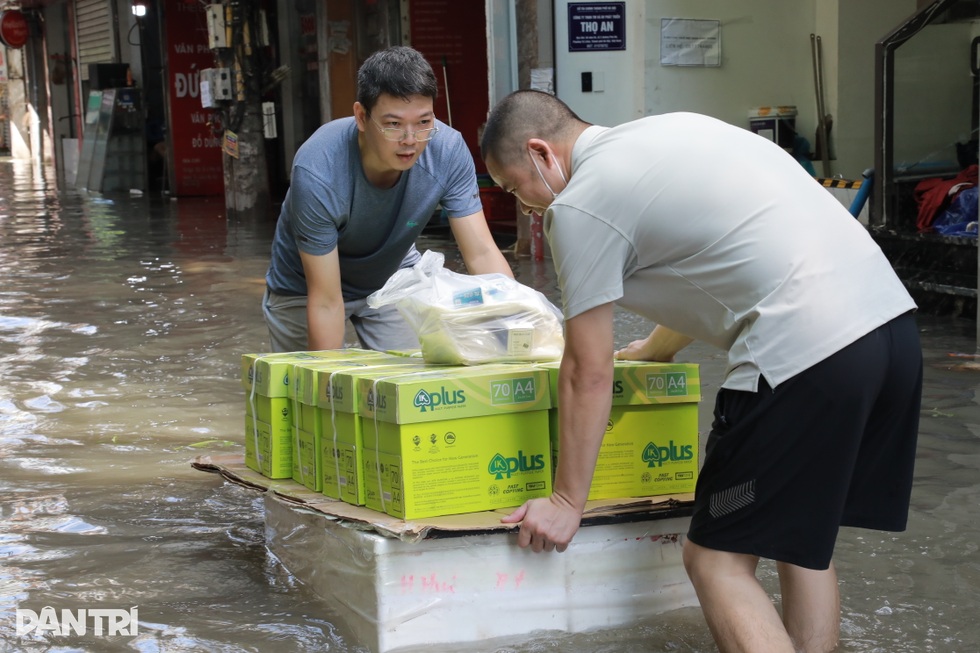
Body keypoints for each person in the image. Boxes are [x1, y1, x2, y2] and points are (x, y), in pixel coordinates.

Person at [481, 90, 921, 653]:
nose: (527, 208)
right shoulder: (670, 133)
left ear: (542, 153)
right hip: (890, 329)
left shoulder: (579, 204)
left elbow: (584, 370)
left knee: (715, 560)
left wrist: (568, 503)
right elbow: (726, 254)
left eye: (517, 187)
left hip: (805, 351)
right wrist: (660, 350)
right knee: (802, 540)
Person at [263, 46, 512, 352]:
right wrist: (326, 387)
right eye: (393, 124)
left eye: (423, 122)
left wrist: (519, 328)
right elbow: (326, 302)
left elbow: (483, 254)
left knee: (413, 384)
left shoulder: (446, 150)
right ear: (361, 117)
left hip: (390, 276)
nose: (410, 140)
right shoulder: (318, 170)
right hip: (304, 287)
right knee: (305, 389)